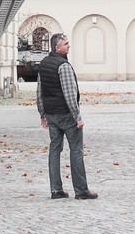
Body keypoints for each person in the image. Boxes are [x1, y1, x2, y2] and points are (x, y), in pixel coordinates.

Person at [34, 32, 96, 200]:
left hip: (51, 115)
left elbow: (39, 92)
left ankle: (56, 189)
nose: (69, 46)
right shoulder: (64, 66)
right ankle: (81, 190)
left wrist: (42, 113)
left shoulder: (44, 64)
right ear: (57, 47)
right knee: (76, 150)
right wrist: (78, 117)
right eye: (66, 44)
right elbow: (70, 94)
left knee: (54, 150)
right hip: (66, 115)